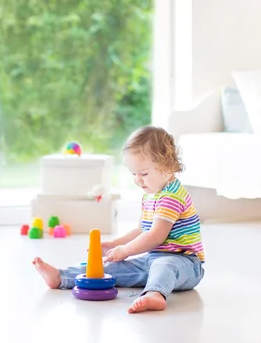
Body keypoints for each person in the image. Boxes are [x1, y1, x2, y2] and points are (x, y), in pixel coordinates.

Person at [33, 126, 205, 313]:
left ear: (168, 166)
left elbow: (156, 236)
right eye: (133, 174)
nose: (138, 180)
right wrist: (115, 244)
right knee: (109, 267)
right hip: (152, 259)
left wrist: (125, 250)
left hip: (185, 264)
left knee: (164, 266)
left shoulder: (171, 197)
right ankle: (61, 277)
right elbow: (141, 230)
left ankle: (155, 294)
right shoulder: (151, 194)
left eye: (144, 174)